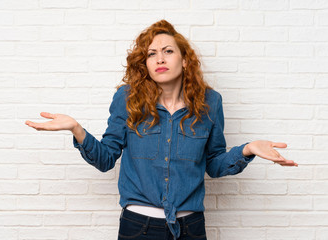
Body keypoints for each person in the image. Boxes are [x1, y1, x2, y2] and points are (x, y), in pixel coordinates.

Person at [25, 20, 298, 240]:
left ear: (185, 60)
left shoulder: (210, 103)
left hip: (191, 227)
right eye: (151, 54)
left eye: (168, 51)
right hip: (138, 227)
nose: (160, 59)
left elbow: (214, 165)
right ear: (144, 64)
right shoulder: (127, 98)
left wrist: (247, 149)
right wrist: (77, 129)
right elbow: (106, 159)